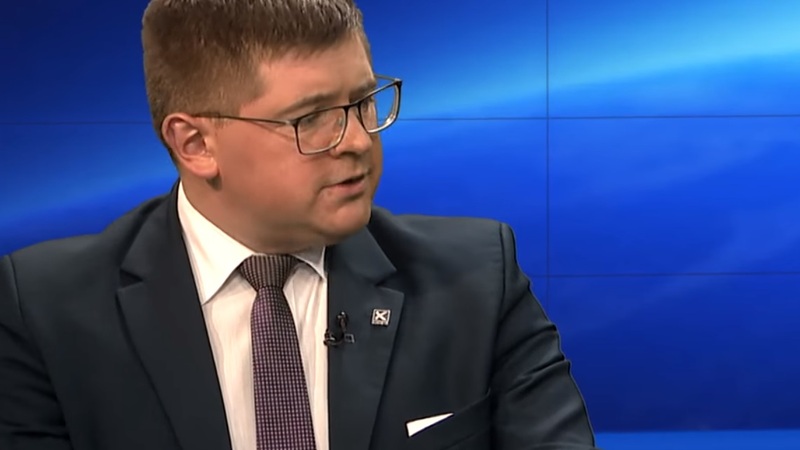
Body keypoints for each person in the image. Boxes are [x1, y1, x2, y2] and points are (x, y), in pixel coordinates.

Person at [0, 1, 599, 449]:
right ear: (195, 144)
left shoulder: (477, 279)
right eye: (311, 118)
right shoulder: (45, 311)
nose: (358, 140)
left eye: (364, 101)